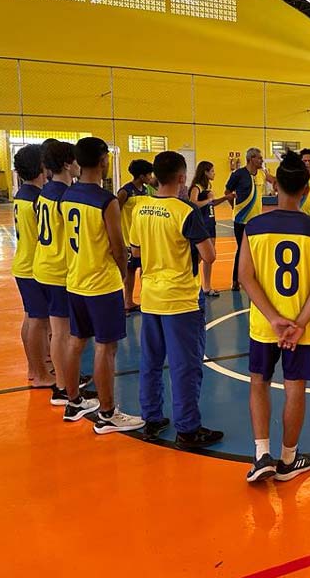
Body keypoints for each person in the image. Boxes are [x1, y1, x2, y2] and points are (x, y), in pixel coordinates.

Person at [239, 150, 310, 482]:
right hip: (301, 329)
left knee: (258, 382)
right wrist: (299, 322)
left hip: (265, 325)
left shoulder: (254, 227)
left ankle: (262, 454)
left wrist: (273, 318)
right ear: (306, 190)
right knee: (295, 388)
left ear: (275, 185)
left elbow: (245, 276)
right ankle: (288, 460)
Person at [130, 151, 224, 448]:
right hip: (181, 299)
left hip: (151, 296)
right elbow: (209, 255)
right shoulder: (185, 212)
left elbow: (135, 253)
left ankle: (152, 418)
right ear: (182, 177)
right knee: (185, 365)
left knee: (151, 362)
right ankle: (187, 428)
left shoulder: (141, 209)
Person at [61, 137, 143, 434]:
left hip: (75, 280)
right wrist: (122, 274)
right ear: (103, 160)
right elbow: (118, 247)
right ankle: (108, 413)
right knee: (105, 348)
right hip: (101, 284)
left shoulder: (67, 195)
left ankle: (73, 402)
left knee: (76, 341)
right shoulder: (104, 200)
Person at [32, 141, 90, 407]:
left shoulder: (46, 192)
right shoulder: (65, 197)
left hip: (44, 265)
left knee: (59, 331)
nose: (79, 165)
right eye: (75, 160)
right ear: (68, 164)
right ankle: (65, 389)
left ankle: (64, 383)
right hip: (58, 271)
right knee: (62, 332)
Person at [12, 145, 56, 389]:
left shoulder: (23, 194)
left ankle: (34, 367)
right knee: (37, 321)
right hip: (33, 266)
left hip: (24, 263)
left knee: (32, 318)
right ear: (42, 167)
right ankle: (40, 373)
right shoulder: (38, 199)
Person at [224, 148, 274, 292]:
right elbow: (227, 192)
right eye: (259, 158)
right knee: (242, 250)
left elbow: (274, 181)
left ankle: (254, 279)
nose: (262, 160)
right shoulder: (238, 174)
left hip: (256, 221)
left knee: (256, 251)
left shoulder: (262, 174)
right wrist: (234, 207)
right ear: (251, 159)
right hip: (241, 221)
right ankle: (235, 280)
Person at [118, 159, 154, 315]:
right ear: (141, 176)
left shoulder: (146, 190)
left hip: (144, 238)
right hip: (128, 238)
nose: (151, 177)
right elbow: (114, 211)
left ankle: (142, 299)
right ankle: (126, 301)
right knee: (128, 272)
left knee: (144, 270)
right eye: (149, 174)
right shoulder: (125, 191)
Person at [189, 161, 227, 297]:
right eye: (212, 171)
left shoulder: (207, 187)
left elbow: (212, 203)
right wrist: (208, 200)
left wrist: (225, 198)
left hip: (211, 223)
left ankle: (206, 286)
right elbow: (193, 203)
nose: (214, 173)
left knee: (209, 258)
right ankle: (193, 284)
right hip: (202, 225)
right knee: (198, 257)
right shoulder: (196, 187)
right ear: (205, 172)